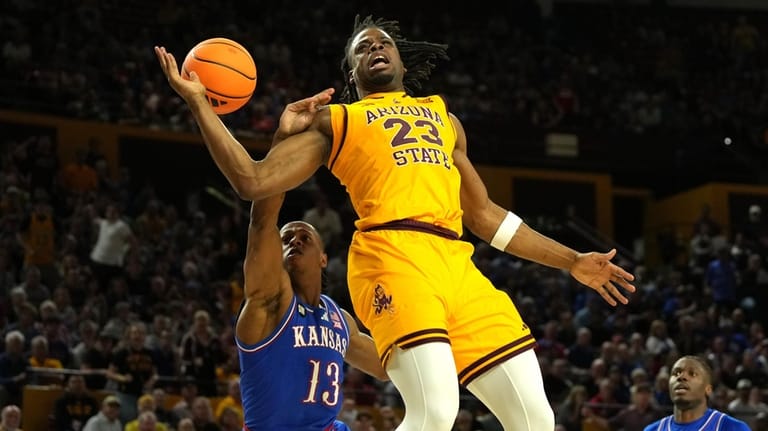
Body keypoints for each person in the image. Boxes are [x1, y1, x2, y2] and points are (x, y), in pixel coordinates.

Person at [155, 14, 635, 430]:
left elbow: (486, 217)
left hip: (457, 264)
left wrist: (572, 260)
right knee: (436, 411)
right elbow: (252, 181)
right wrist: (201, 103)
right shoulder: (338, 122)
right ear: (353, 71)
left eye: (383, 42)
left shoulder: (444, 119)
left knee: (535, 419)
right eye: (363, 47)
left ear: (403, 62)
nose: (375, 48)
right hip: (391, 257)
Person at [643, 355, 751, 431]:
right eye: (676, 373)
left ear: (708, 389)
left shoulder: (732, 428)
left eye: (692, 374)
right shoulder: (653, 429)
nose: (681, 377)